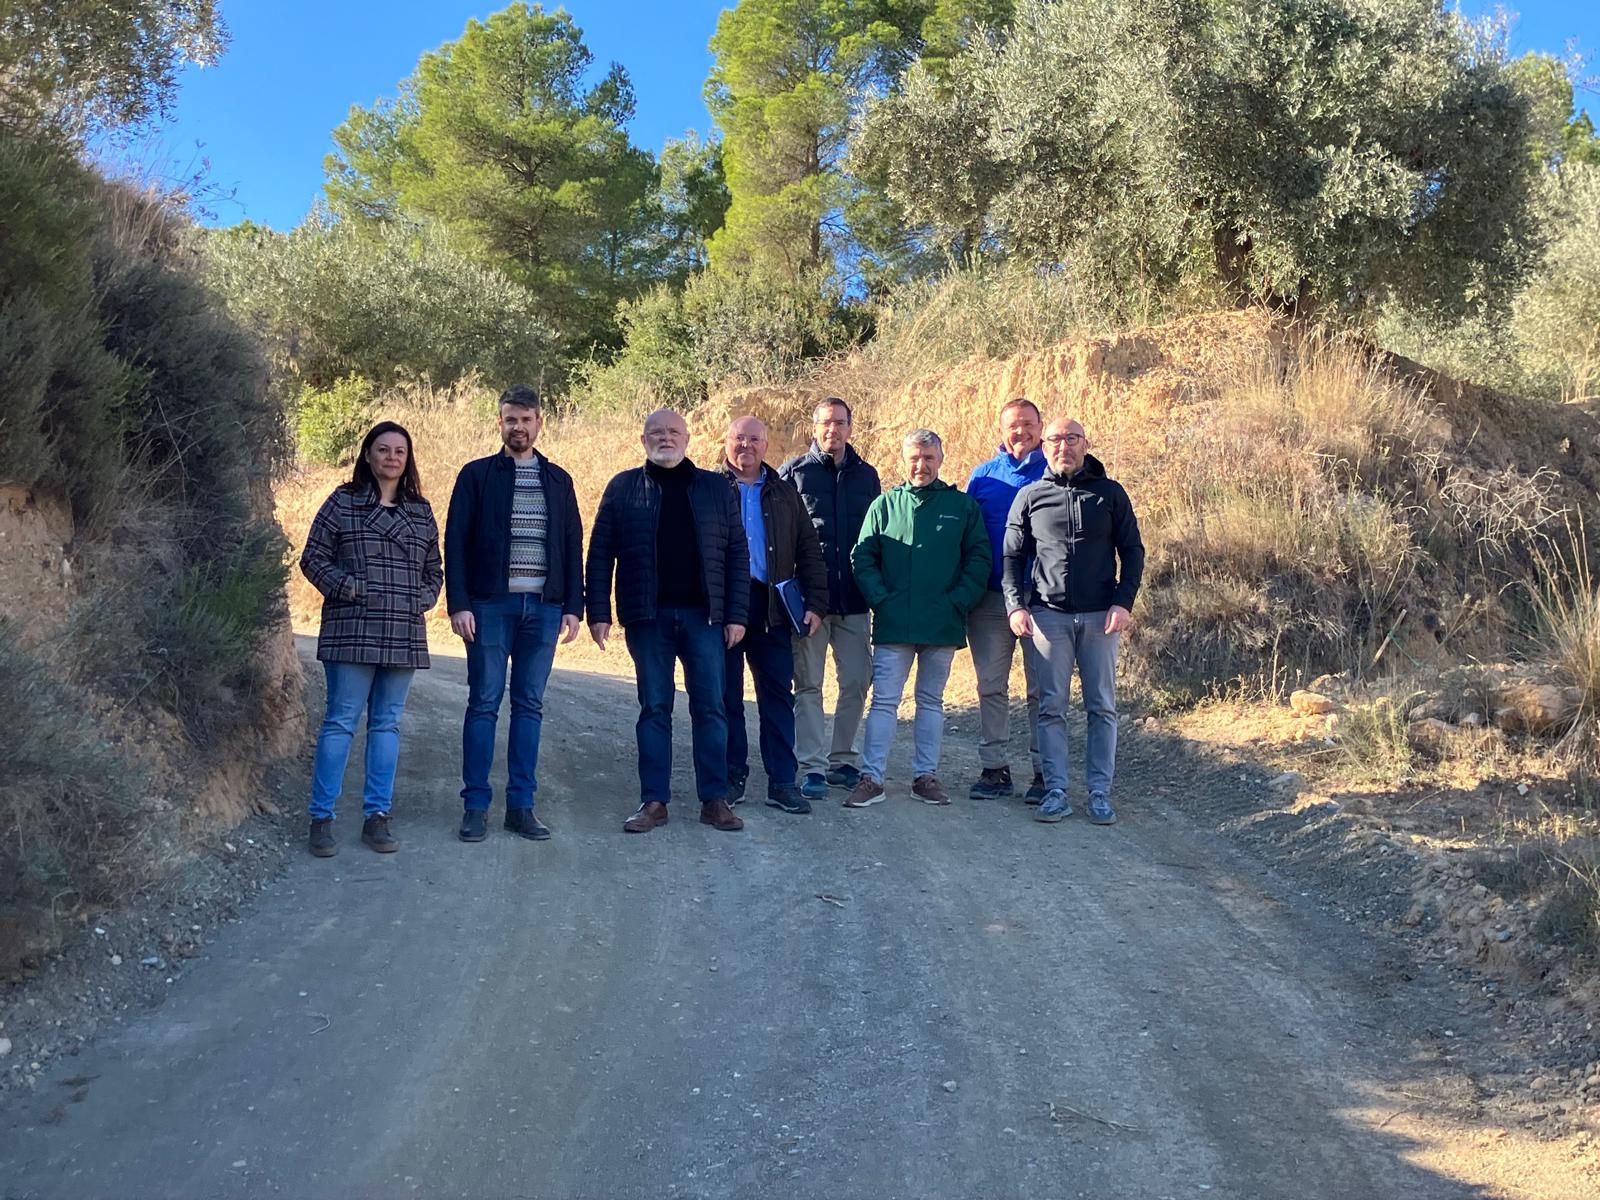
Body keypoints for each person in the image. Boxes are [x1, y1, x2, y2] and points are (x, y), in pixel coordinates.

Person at [587, 409, 750, 834]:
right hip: (648, 617)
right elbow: (601, 552)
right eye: (657, 433)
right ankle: (654, 801)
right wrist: (599, 612)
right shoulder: (623, 488)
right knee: (654, 708)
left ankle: (715, 800)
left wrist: (736, 615)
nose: (666, 438)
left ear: (688, 438)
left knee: (712, 709)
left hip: (706, 618)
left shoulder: (717, 487)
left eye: (673, 431)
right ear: (643, 440)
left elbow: (737, 554)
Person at [444, 384, 584, 844]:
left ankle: (521, 807)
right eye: (510, 419)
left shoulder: (559, 480)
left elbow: (570, 544)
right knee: (483, 704)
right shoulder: (477, 476)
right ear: (499, 424)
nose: (518, 427)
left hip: (542, 609)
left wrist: (573, 606)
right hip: (489, 607)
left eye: (525, 419)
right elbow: (456, 543)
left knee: (529, 706)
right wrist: (460, 604)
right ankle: (476, 806)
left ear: (539, 423)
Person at [300, 421, 442, 858]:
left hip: (402, 629)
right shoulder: (342, 502)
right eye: (383, 449)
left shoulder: (421, 510)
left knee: (387, 724)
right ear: (367, 454)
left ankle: (377, 817)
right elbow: (313, 559)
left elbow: (434, 572)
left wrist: (418, 599)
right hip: (352, 626)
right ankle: (321, 818)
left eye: (400, 451)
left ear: (408, 458)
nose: (392, 457)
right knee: (341, 721)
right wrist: (352, 589)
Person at [1004, 418, 1145, 825]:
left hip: (1102, 616)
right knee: (1051, 707)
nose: (1063, 446)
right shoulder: (1030, 497)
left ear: (1085, 444)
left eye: (1071, 439)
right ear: (1042, 448)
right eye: (1055, 440)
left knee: (1102, 706)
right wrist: (1016, 606)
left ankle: (1099, 793)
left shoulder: (1110, 494)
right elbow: (1012, 557)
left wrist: (1124, 602)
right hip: (1049, 617)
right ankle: (1056, 791)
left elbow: (1132, 551)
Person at [845, 429, 990, 808]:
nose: (920, 465)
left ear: (940, 460)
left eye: (928, 458)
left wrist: (959, 601)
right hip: (895, 623)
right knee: (884, 702)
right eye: (914, 458)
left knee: (930, 701)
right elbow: (862, 557)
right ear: (903, 459)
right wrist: (881, 599)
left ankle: (925, 777)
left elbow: (979, 559)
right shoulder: (884, 505)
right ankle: (872, 778)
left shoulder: (961, 506)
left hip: (942, 623)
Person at [720, 416, 828, 814]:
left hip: (771, 608)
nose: (746, 445)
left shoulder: (785, 492)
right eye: (738, 438)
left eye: (754, 439)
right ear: (725, 442)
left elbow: (808, 550)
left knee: (777, 697)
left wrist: (815, 603)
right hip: (724, 607)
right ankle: (732, 777)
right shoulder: (710, 488)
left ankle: (782, 782)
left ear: (767, 446)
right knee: (726, 696)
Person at [779, 398, 881, 800]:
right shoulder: (794, 474)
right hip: (809, 605)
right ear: (814, 428)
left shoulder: (866, 476)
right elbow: (782, 539)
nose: (832, 430)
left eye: (840, 422)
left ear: (850, 428)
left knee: (857, 680)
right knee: (808, 684)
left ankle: (842, 759)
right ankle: (812, 767)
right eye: (826, 423)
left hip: (855, 600)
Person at [964, 398, 1048, 802]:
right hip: (990, 601)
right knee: (990, 686)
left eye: (1028, 424)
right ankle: (995, 769)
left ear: (1041, 426)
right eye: (1013, 426)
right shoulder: (982, 477)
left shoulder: (1056, 470)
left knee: (1041, 689)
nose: (1021, 432)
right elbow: (966, 537)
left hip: (1044, 600)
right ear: (1002, 431)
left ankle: (1044, 772)